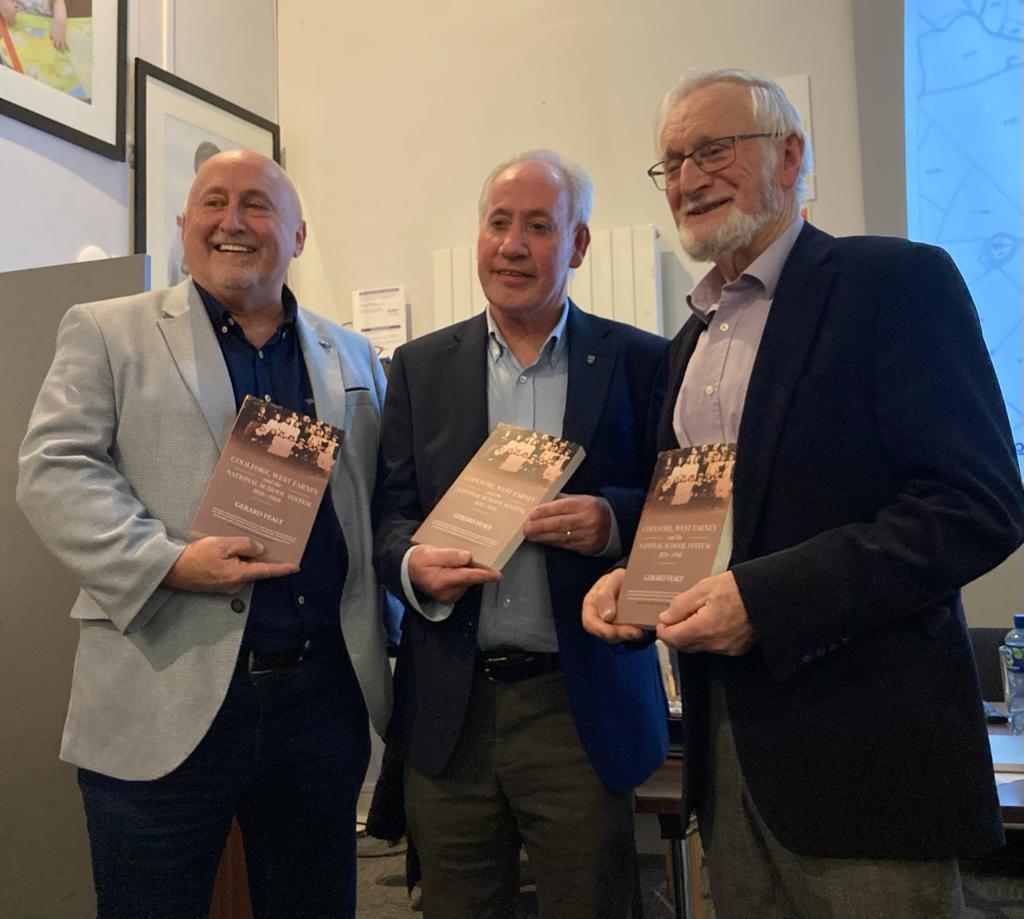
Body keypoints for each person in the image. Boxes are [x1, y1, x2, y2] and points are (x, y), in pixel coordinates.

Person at [583, 68, 1024, 919]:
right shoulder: (689, 344)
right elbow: (712, 523)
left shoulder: (894, 283)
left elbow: (976, 505)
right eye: (670, 163)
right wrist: (639, 582)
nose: (686, 178)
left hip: (869, 766)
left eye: (713, 149)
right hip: (727, 759)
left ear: (790, 156)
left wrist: (767, 600)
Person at [17, 149, 392, 919]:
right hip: (161, 688)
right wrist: (166, 562)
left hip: (319, 699)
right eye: (212, 203)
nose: (231, 221)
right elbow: (54, 471)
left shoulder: (350, 354)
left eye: (256, 204)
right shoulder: (106, 331)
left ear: (297, 233)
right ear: (186, 225)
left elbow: (378, 498)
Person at [374, 149, 669, 919]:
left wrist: (611, 521)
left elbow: (681, 510)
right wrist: (411, 563)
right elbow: (387, 513)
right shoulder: (418, 366)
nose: (512, 245)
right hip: (452, 707)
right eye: (498, 223)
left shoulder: (643, 360)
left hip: (578, 703)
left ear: (577, 246)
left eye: (539, 226)